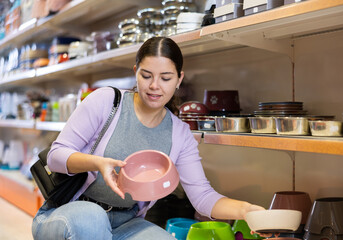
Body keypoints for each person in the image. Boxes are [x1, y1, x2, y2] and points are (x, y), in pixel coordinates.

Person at [32, 37, 265, 240]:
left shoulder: (179, 134)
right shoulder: (106, 101)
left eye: (166, 78)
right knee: (91, 220)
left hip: (125, 223)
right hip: (67, 214)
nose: (155, 86)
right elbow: (55, 156)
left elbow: (203, 197)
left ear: (179, 79)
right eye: (146, 76)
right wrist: (98, 163)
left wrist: (245, 210)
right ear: (135, 71)